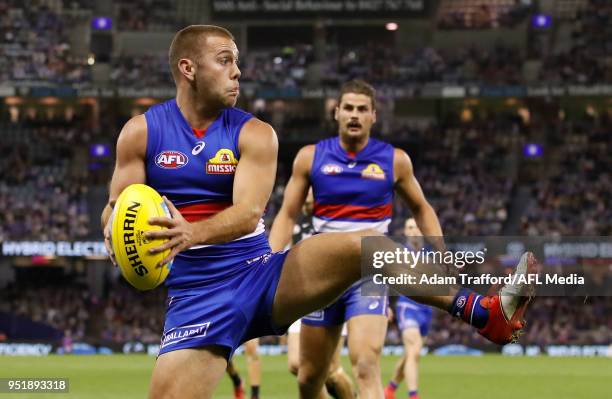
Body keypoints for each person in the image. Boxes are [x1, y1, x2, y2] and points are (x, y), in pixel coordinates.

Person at [101, 25, 537, 399]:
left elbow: (249, 210)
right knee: (308, 376)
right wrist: (113, 231)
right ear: (188, 69)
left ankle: (485, 313)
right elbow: (115, 209)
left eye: (237, 61)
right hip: (197, 296)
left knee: (367, 248)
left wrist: (188, 234)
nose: (238, 72)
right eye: (224, 60)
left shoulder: (256, 133)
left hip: (259, 272)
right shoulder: (140, 133)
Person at [268, 79, 442, 398]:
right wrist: (268, 259)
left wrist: (440, 252)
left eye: (362, 109)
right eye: (348, 107)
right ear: (336, 112)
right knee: (308, 377)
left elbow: (421, 207)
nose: (354, 114)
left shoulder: (394, 160)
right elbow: (287, 215)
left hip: (368, 272)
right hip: (319, 273)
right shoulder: (310, 157)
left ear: (373, 116)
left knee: (365, 365)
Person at [286, 189, 354, 399]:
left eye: (311, 195)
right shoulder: (294, 225)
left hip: (330, 297)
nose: (306, 200)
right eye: (304, 195)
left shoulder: (334, 222)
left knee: (331, 371)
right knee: (296, 364)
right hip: (302, 299)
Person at [384, 218, 433, 399]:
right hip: (407, 306)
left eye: (418, 227)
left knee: (410, 354)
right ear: (405, 231)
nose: (414, 231)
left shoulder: (430, 253)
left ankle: (390, 389)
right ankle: (413, 395)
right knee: (415, 349)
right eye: (410, 227)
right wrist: (386, 304)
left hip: (427, 310)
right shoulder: (398, 253)